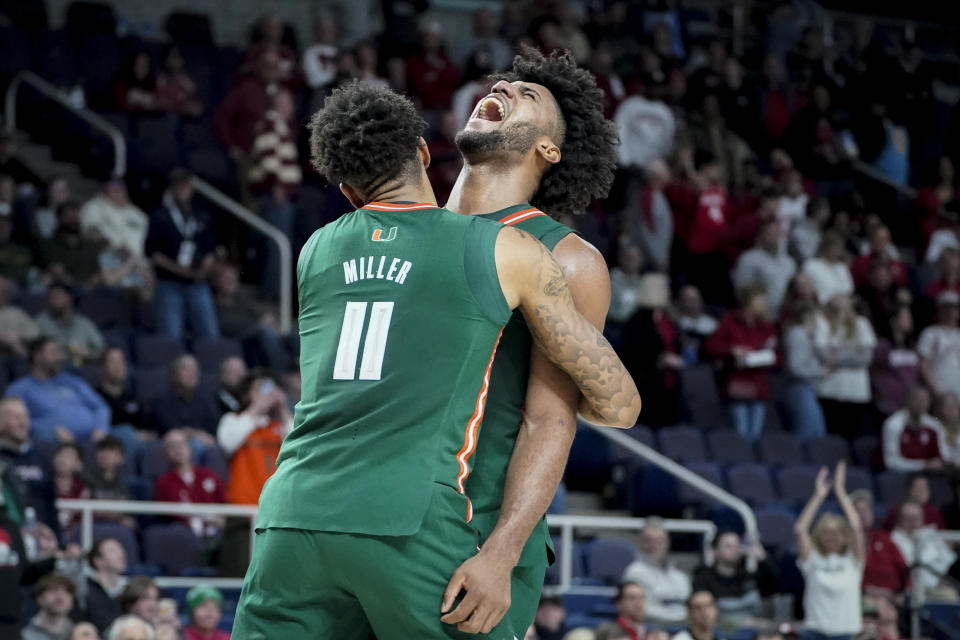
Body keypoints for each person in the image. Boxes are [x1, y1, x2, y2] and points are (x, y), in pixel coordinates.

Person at [233, 81, 639, 640]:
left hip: (472, 533)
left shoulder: (565, 257)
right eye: (502, 82)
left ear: (549, 149)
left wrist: (502, 552)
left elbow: (550, 419)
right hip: (399, 514)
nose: (502, 87)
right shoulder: (432, 235)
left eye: (528, 93)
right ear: (423, 151)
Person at [146, 169, 219, 341]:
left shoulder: (201, 216)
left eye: (185, 186)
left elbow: (210, 249)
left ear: (191, 189)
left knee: (210, 334)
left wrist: (203, 270)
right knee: (170, 336)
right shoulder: (160, 216)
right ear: (171, 189)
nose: (182, 190)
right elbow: (152, 253)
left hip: (197, 282)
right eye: (177, 186)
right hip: (169, 282)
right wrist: (178, 270)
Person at [795, 462, 865, 640]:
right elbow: (800, 529)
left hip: (846, 634)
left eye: (837, 532)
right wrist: (819, 495)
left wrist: (841, 492)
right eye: (826, 532)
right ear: (819, 536)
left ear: (844, 536)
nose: (832, 536)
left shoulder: (854, 561)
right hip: (814, 633)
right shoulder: (812, 560)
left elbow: (857, 528)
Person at [247, 89, 302, 301]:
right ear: (277, 104)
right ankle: (270, 295)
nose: (291, 108)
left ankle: (275, 293)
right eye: (288, 103)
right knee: (276, 248)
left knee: (279, 247)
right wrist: (276, 185)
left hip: (282, 195)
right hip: (275, 195)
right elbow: (268, 157)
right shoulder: (270, 123)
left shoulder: (279, 125)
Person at [705, 284, 778, 441]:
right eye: (760, 300)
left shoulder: (766, 326)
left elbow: (777, 357)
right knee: (741, 434)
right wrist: (733, 350)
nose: (764, 304)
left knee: (755, 436)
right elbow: (711, 345)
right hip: (737, 383)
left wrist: (764, 355)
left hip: (758, 384)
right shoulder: (730, 322)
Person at [6, 337, 111, 443]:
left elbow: (100, 406)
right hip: (54, 441)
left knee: (124, 432)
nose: (59, 357)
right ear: (37, 356)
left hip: (94, 438)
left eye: (59, 352)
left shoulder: (73, 381)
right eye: (53, 352)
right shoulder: (20, 388)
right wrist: (49, 430)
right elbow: (10, 418)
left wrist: (100, 428)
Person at [218, 373, 291, 505]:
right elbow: (227, 444)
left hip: (274, 505)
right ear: (247, 394)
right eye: (260, 388)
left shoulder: (279, 426)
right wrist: (255, 409)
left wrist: (283, 409)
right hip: (242, 504)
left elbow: (297, 446)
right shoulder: (233, 419)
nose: (267, 393)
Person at [814, 294, 876, 440]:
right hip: (829, 390)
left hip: (856, 392)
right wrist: (852, 352)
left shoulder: (862, 323)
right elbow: (821, 353)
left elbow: (865, 358)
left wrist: (835, 355)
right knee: (831, 440)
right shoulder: (822, 323)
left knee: (853, 439)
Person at [692, 531, 779, 627]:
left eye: (737, 546)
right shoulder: (703, 579)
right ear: (715, 551)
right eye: (728, 546)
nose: (735, 550)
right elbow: (700, 614)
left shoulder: (749, 577)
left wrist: (763, 558)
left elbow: (776, 586)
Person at [153, 429, 225, 539]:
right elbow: (169, 517)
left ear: (189, 447)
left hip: (216, 530)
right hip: (184, 536)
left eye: (181, 444)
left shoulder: (208, 475)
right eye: (171, 446)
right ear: (165, 452)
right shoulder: (163, 482)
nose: (177, 449)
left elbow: (225, 503)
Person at [0, 396, 59, 530]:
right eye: (15, 417)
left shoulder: (40, 459)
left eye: (25, 416)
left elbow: (51, 506)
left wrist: (60, 543)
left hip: (44, 540)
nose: (22, 422)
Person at [621, 522, 691, 625]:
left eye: (660, 541)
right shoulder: (634, 572)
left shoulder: (680, 576)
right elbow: (639, 610)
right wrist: (678, 619)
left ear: (667, 543)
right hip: (651, 628)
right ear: (639, 543)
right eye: (648, 540)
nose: (654, 545)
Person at [849, 490, 909, 600]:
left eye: (867, 510)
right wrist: (867, 590)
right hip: (862, 596)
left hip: (893, 597)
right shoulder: (845, 542)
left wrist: (904, 592)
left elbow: (904, 569)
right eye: (859, 511)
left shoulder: (883, 537)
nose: (864, 515)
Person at [890, 501, 957, 597]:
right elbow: (915, 568)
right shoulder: (893, 540)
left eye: (916, 517)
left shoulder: (930, 534)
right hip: (916, 590)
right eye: (908, 517)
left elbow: (948, 558)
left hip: (945, 581)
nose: (913, 521)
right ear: (900, 520)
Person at [782, 302, 828, 440]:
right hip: (799, 389)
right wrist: (819, 371)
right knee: (806, 434)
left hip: (808, 389)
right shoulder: (797, 334)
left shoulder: (807, 336)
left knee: (817, 433)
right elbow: (795, 367)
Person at [732, 218, 797, 317]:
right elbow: (741, 291)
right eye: (770, 234)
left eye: (777, 233)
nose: (774, 237)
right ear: (762, 236)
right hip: (758, 317)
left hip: (783, 317)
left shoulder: (789, 262)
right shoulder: (749, 259)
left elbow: (793, 292)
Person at [148, 355, 219, 441]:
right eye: (186, 369)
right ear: (174, 375)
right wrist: (197, 435)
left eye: (195, 369)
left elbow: (214, 429)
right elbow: (171, 429)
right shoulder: (162, 402)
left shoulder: (205, 401)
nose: (192, 373)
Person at [35, 281, 105, 366]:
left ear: (69, 298)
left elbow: (101, 348)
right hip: (52, 368)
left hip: (81, 367)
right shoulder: (41, 321)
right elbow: (34, 348)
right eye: (51, 297)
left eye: (57, 297)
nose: (53, 301)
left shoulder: (83, 323)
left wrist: (88, 353)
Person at [871, 307, 920, 422]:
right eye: (905, 317)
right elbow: (872, 372)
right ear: (894, 321)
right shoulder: (883, 346)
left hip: (911, 406)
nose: (910, 320)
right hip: (888, 407)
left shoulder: (912, 346)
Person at [79, 179, 149, 260]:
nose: (117, 193)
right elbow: (93, 231)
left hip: (141, 263)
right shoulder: (94, 206)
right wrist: (114, 248)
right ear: (106, 191)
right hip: (109, 259)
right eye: (113, 190)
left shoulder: (138, 214)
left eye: (120, 190)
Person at [881, 387, 946, 472]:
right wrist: (922, 465)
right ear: (908, 401)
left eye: (925, 400)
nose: (922, 404)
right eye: (918, 399)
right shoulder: (893, 425)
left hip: (930, 473)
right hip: (901, 474)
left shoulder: (934, 425)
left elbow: (943, 456)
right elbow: (891, 462)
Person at [918, 291, 960, 400]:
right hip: (939, 392)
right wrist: (936, 391)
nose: (950, 312)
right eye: (946, 307)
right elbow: (924, 365)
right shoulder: (930, 333)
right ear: (939, 310)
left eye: (953, 308)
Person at [85, 537, 128, 632]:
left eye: (120, 548)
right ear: (98, 561)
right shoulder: (85, 590)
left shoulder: (128, 590)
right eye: (112, 550)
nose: (121, 553)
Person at [802, 232, 853, 306]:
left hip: (843, 308)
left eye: (839, 247)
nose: (837, 250)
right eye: (834, 247)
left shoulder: (842, 267)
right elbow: (806, 289)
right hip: (820, 306)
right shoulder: (811, 265)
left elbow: (848, 290)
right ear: (825, 247)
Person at [881, 474, 946, 531]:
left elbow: (943, 535)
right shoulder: (896, 510)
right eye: (917, 488)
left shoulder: (933, 512)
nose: (921, 492)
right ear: (909, 490)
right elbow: (886, 534)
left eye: (924, 488)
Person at [22, 572, 76, 640]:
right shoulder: (24, 635)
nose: (61, 597)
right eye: (53, 590)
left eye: (67, 591)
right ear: (39, 598)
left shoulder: (78, 631)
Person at [51, 442, 88, 532]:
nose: (62, 460)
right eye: (60, 455)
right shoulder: (45, 485)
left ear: (78, 464)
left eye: (68, 457)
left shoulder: (83, 489)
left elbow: (85, 521)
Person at [156, 46, 203, 117]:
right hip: (164, 116)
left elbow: (193, 101)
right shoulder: (161, 79)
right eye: (171, 57)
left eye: (176, 57)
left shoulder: (187, 80)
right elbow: (159, 100)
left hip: (183, 114)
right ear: (166, 61)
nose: (173, 61)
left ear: (182, 60)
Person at [0, 273, 38, 358]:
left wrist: (18, 337)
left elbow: (34, 332)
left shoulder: (16, 313)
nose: (2, 292)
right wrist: (4, 338)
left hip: (16, 355)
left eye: (3, 289)